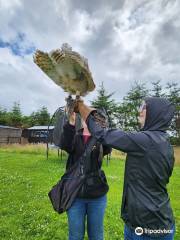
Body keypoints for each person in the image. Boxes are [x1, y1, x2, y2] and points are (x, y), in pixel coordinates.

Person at [75, 97, 176, 240]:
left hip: (147, 228)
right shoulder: (165, 143)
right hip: (152, 222)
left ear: (156, 113)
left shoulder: (146, 140)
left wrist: (82, 108)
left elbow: (103, 134)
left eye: (144, 107)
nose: (139, 111)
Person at [61, 112, 111, 240]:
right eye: (86, 117)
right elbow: (65, 145)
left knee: (96, 235)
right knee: (75, 235)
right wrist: (71, 122)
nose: (87, 120)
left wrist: (102, 129)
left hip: (97, 196)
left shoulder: (101, 139)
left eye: (93, 119)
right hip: (75, 195)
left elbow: (108, 147)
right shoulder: (75, 137)